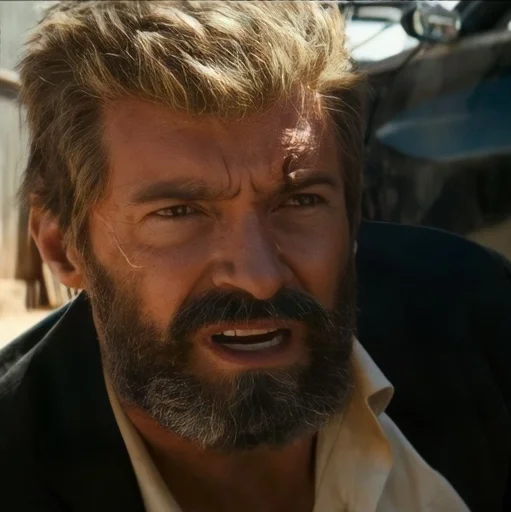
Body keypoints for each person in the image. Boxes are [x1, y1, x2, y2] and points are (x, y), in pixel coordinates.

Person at [0, 1, 505, 511]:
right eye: (179, 213)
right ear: (62, 247)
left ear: (353, 216)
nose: (259, 277)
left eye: (300, 201)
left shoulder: (482, 327)